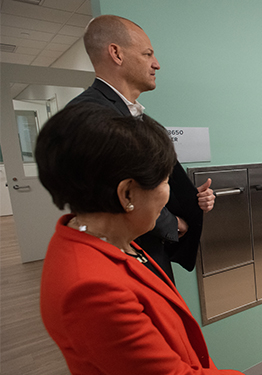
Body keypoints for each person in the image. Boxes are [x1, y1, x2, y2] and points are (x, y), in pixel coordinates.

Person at [37, 103, 242, 375]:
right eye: (165, 182)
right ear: (127, 195)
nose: (168, 195)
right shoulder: (92, 291)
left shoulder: (112, 240)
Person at [67, 14, 214, 282]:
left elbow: (139, 180)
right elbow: (114, 194)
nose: (156, 64)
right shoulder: (90, 115)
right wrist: (172, 223)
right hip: (128, 257)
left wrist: (191, 199)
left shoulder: (132, 115)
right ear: (116, 53)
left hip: (148, 251)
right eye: (147, 54)